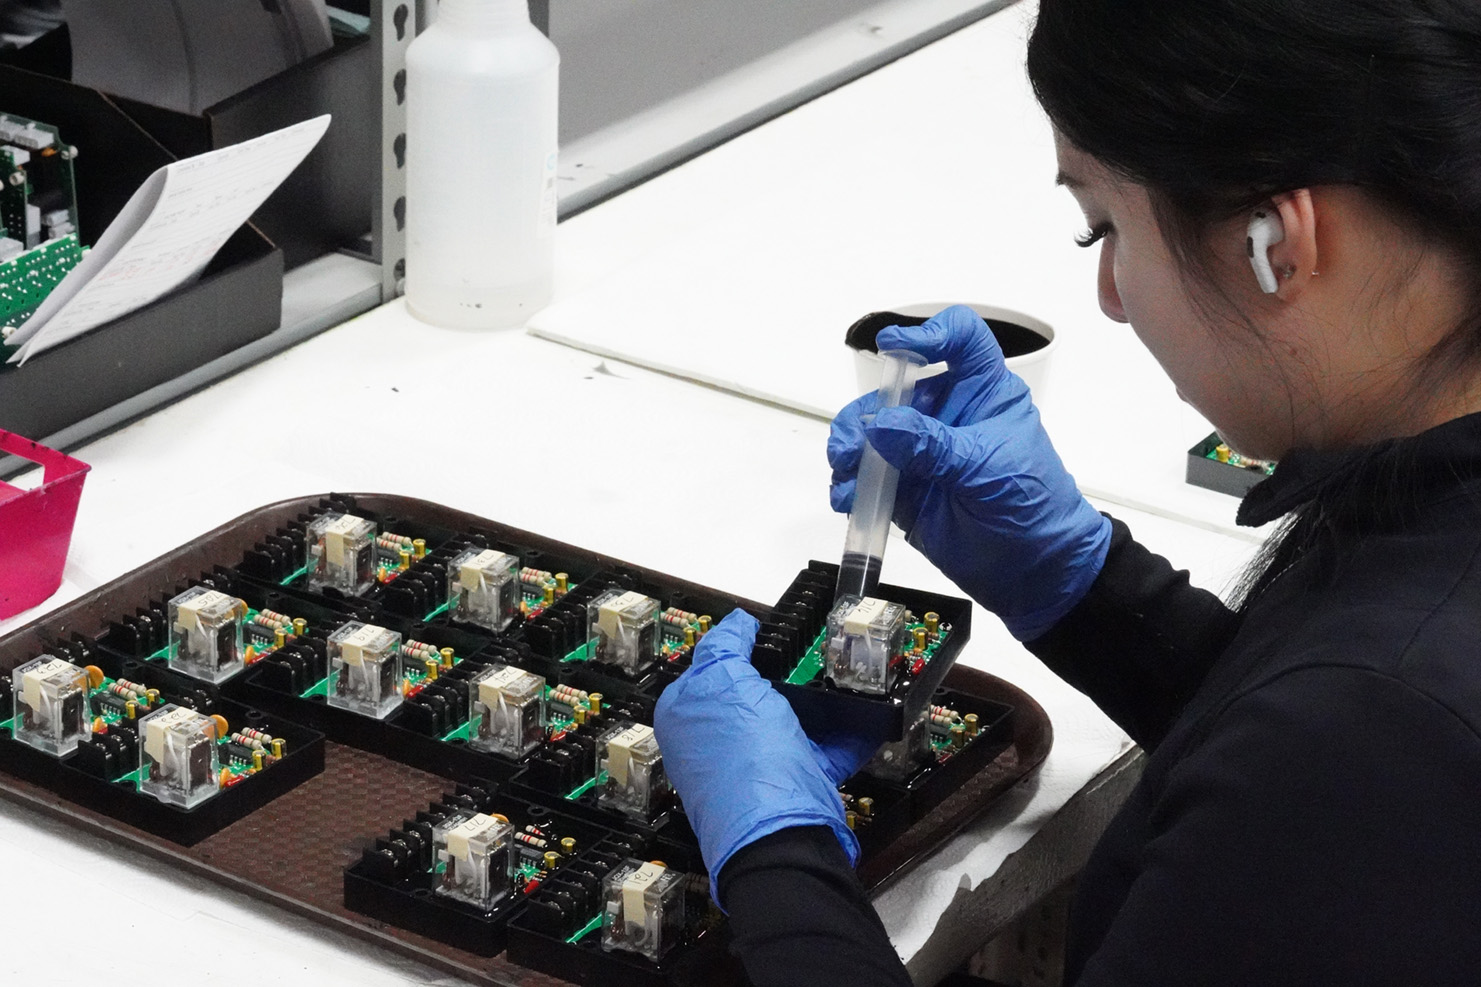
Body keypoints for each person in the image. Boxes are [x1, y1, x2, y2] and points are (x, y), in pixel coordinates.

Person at [653, 0, 1481, 984]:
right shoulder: (1422, 543)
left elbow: (1332, 775)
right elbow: (1288, 827)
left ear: (1278, 241)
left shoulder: (1372, 726)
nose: (1112, 299)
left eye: (1104, 229)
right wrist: (1078, 582)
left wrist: (773, 854)